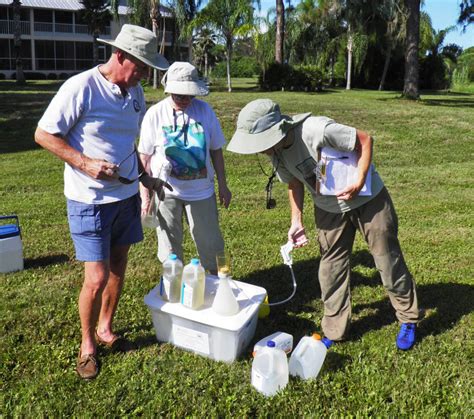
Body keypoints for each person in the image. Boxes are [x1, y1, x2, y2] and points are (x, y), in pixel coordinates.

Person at [228, 99, 423, 350]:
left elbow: (365, 140)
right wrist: (296, 220)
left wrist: (360, 179)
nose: (259, 149)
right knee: (331, 270)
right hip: (328, 210)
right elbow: (294, 183)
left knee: (387, 261)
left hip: (368, 200)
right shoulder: (275, 154)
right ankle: (335, 329)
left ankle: (408, 318)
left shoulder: (315, 130)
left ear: (276, 130)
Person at [34, 24, 170, 380]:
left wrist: (145, 179)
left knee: (118, 265)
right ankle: (87, 345)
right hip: (89, 200)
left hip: (124, 197)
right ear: (120, 55)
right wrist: (85, 162)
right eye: (140, 66)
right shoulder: (81, 87)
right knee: (95, 277)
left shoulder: (135, 92)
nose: (143, 75)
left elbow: (128, 145)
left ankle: (106, 328)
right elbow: (43, 134)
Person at [138, 61, 231, 274]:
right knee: (169, 245)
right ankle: (174, 282)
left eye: (190, 95)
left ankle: (219, 280)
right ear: (169, 90)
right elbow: (144, 158)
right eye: (179, 95)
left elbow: (216, 150)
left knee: (212, 243)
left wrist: (223, 186)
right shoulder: (155, 114)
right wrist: (145, 198)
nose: (185, 100)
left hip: (202, 192)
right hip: (165, 192)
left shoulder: (205, 111)